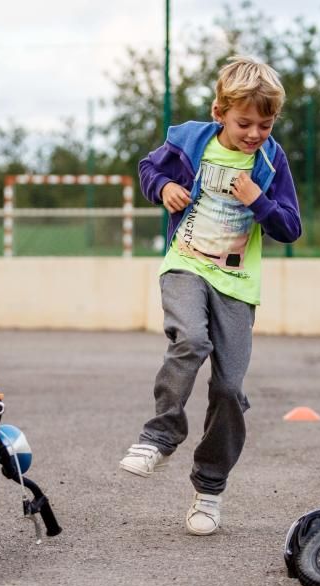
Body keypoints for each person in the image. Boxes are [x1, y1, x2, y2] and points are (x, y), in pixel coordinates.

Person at [119, 55, 302, 535]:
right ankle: (160, 435)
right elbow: (147, 169)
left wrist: (257, 201)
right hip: (186, 264)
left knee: (229, 390)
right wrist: (163, 189)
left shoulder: (269, 161)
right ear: (220, 112)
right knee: (190, 341)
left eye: (266, 124)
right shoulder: (189, 141)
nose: (255, 133)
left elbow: (290, 227)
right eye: (245, 123)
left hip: (237, 286)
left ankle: (209, 489)